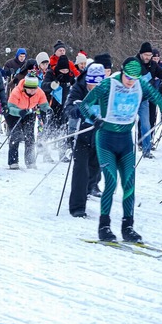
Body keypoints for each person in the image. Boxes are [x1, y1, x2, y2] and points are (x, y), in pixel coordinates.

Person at [78, 58, 162, 242]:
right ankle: (104, 227)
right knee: (111, 182)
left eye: (135, 78)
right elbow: (84, 104)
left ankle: (128, 227)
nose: (130, 82)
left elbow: (159, 98)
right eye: (128, 77)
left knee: (129, 184)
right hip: (105, 139)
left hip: (126, 141)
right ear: (121, 72)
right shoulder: (107, 84)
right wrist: (94, 117)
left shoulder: (140, 84)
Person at [64, 63, 107, 217]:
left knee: (95, 167)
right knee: (80, 169)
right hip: (81, 133)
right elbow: (68, 107)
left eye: (97, 85)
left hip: (100, 135)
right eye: (91, 84)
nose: (93, 88)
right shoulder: (78, 87)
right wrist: (77, 111)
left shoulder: (108, 89)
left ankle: (88, 189)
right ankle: (77, 207)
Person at [6, 74, 50, 169]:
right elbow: (10, 108)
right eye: (30, 89)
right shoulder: (16, 91)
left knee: (29, 136)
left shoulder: (39, 92)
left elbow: (44, 104)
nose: (32, 91)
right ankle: (13, 161)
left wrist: (48, 109)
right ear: (25, 87)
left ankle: (30, 161)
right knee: (16, 135)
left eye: (34, 89)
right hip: (14, 114)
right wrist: (19, 112)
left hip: (29, 112)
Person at [41, 54, 75, 161]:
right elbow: (43, 85)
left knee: (63, 130)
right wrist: (51, 84)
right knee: (49, 129)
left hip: (64, 106)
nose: (64, 72)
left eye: (66, 70)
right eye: (62, 70)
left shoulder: (70, 75)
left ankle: (63, 153)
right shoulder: (51, 73)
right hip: (51, 105)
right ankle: (45, 153)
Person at [136, 42, 162, 158]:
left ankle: (146, 150)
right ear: (141, 54)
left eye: (150, 55)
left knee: (146, 125)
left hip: (144, 100)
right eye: (146, 55)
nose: (148, 57)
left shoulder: (153, 65)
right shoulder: (134, 63)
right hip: (131, 99)